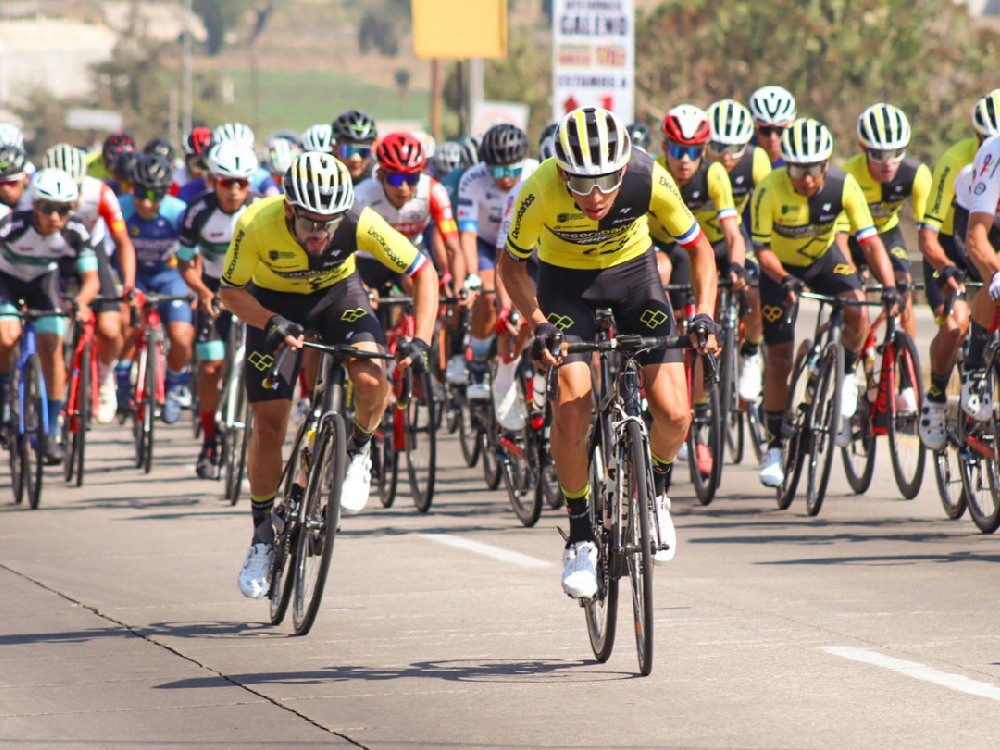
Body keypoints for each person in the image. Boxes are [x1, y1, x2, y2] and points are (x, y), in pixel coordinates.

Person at [498, 107, 721, 597]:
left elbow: (700, 250)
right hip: (564, 289)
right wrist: (538, 324)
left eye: (605, 182)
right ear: (561, 172)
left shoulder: (648, 176)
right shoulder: (539, 190)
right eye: (579, 184)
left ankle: (657, 492)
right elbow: (511, 268)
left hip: (634, 280)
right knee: (572, 410)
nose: (594, 197)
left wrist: (703, 313)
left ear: (624, 169)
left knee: (676, 413)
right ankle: (580, 535)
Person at [219, 151, 438, 598]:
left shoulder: (358, 219)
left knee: (374, 378)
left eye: (329, 224)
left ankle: (357, 448)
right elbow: (229, 292)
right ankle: (262, 534)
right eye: (310, 224)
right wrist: (268, 322)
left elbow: (423, 270)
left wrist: (423, 339)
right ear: (288, 210)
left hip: (339, 296)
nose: (320, 233)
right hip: (273, 307)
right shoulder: (255, 223)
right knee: (269, 425)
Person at [752, 118, 900, 487]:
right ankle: (773, 446)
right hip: (779, 270)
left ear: (827, 163)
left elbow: (869, 241)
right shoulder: (769, 189)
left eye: (814, 168)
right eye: (798, 168)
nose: (806, 178)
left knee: (856, 305)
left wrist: (891, 285)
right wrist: (783, 278)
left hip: (823, 261)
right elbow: (760, 250)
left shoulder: (842, 185)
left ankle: (847, 372)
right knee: (781, 356)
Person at [917, 89, 1000, 450]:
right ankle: (939, 395)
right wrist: (947, 267)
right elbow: (936, 235)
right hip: (961, 235)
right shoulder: (972, 160)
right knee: (956, 323)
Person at [0, 169, 101, 463]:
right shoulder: (11, 225)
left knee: (53, 346)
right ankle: (5, 400)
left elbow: (91, 279)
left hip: (44, 283)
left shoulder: (77, 231)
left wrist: (81, 303)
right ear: (34, 206)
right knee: (7, 336)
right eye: (47, 208)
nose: (55, 217)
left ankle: (51, 428)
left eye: (63, 209)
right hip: (6, 280)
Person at [177, 139, 261, 478]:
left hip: (254, 290)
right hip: (212, 288)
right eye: (227, 182)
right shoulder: (198, 211)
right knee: (210, 366)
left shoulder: (261, 210)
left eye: (242, 183)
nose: (234, 190)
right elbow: (183, 262)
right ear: (214, 180)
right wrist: (200, 291)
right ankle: (210, 440)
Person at [42, 143, 134, 423]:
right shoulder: (37, 192)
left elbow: (122, 241)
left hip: (91, 256)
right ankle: (48, 395)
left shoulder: (100, 193)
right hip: (52, 255)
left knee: (109, 327)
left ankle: (105, 380)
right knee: (50, 332)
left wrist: (128, 284)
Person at [458, 124, 536, 400]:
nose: (506, 179)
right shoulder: (472, 179)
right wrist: (472, 276)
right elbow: (467, 235)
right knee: (486, 289)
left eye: (513, 170)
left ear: (525, 159)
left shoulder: (535, 174)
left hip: (524, 244)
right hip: (486, 244)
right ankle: (478, 362)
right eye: (498, 171)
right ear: (485, 166)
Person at [117, 155, 195, 424]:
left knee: (183, 337)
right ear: (131, 188)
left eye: (156, 194)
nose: (147, 201)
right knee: (128, 323)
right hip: (134, 275)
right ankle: (123, 379)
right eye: (140, 192)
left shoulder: (178, 211)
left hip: (168, 276)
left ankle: (173, 387)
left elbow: (193, 253)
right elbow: (109, 250)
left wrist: (194, 286)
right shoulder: (121, 208)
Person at [705, 98, 771, 402]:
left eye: (735, 149)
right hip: (698, 242)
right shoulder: (697, 162)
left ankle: (751, 352)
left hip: (735, 238)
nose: (726, 157)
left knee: (757, 292)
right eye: (717, 146)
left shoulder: (757, 161)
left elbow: (767, 207)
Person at [747, 85, 796, 166]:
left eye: (780, 130)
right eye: (765, 130)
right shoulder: (741, 157)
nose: (773, 137)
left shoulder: (801, 159)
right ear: (755, 130)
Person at [331, 110, 379, 185]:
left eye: (364, 152)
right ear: (334, 149)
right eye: (348, 151)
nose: (356, 158)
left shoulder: (379, 178)